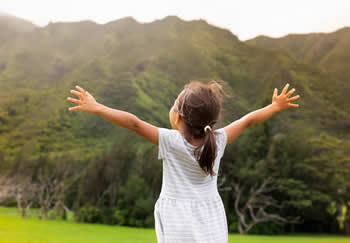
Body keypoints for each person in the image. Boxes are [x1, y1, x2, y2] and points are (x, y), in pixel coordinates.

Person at [67, 80, 300, 242]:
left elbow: (134, 123)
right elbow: (247, 121)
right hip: (211, 217)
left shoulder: (170, 141)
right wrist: (275, 106)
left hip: (177, 218)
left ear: (177, 117)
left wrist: (97, 108)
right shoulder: (218, 140)